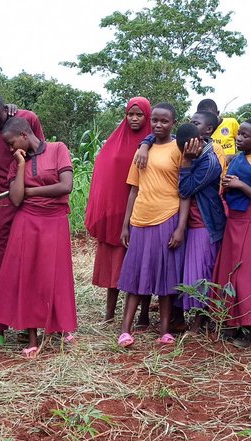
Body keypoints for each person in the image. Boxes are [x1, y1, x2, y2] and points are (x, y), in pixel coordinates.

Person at [0, 118, 77, 356]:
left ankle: (59, 327)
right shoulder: (17, 161)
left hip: (55, 220)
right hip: (26, 221)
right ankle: (32, 337)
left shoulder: (58, 149)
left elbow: (65, 185)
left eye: (11, 142)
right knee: (28, 276)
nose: (9, 148)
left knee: (55, 274)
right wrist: (19, 165)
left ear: (24, 135)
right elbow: (16, 200)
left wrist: (30, 191)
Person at [0, 92, 45, 346]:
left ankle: (30, 324)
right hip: (1, 203)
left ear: (7, 109)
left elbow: (41, 154)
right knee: (0, 264)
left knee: (31, 263)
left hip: (29, 200)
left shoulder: (28, 119)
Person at [116, 103, 187, 347]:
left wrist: (180, 227)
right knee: (135, 274)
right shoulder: (141, 151)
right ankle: (125, 330)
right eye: (155, 120)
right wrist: (126, 225)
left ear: (173, 123)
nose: (158, 125)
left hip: (168, 216)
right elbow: (133, 190)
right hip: (140, 218)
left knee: (166, 277)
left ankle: (165, 331)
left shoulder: (179, 150)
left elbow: (185, 192)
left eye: (164, 121)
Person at [86, 97, 152, 322]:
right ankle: (109, 314)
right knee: (115, 264)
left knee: (143, 263)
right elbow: (102, 177)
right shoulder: (113, 142)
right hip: (115, 213)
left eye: (139, 115)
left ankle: (143, 315)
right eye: (130, 114)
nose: (134, 118)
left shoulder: (154, 141)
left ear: (147, 116)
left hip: (144, 211)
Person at [214, 119, 251, 346]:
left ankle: (250, 328)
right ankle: (231, 322)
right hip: (235, 221)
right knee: (231, 274)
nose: (239, 138)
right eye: (239, 134)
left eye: (245, 136)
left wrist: (241, 186)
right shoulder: (237, 159)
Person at [175, 123, 225, 333]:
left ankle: (201, 319)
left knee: (201, 272)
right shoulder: (197, 155)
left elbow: (186, 189)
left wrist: (186, 161)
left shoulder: (210, 163)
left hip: (204, 224)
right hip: (191, 223)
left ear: (197, 144)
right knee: (189, 272)